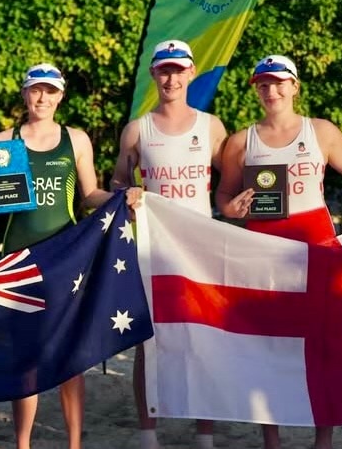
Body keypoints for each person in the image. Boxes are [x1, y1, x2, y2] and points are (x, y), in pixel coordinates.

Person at [215, 54, 342, 449]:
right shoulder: (239, 141)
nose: (272, 90)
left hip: (316, 247)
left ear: (295, 86)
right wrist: (232, 208)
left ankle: (323, 439)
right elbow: (225, 197)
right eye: (263, 83)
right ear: (255, 88)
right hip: (263, 251)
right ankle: (272, 439)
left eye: (279, 82)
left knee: (323, 342)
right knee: (266, 343)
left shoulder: (321, 132)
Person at [0, 63, 112, 449]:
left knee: (70, 357)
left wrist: (120, 197)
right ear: (24, 94)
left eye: (50, 91)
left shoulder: (76, 139)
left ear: (60, 96)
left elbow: (90, 195)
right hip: (19, 258)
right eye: (36, 90)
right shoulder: (4, 139)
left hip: (66, 257)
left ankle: (74, 443)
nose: (42, 98)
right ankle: (23, 443)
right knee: (24, 357)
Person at [111, 40, 226, 449]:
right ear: (154, 75)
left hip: (201, 249)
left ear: (192, 73)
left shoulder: (211, 126)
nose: (172, 78)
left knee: (204, 339)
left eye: (179, 70)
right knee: (151, 342)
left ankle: (205, 433)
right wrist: (126, 194)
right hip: (153, 248)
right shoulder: (136, 129)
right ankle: (147, 432)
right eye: (164, 70)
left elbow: (232, 182)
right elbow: (118, 183)